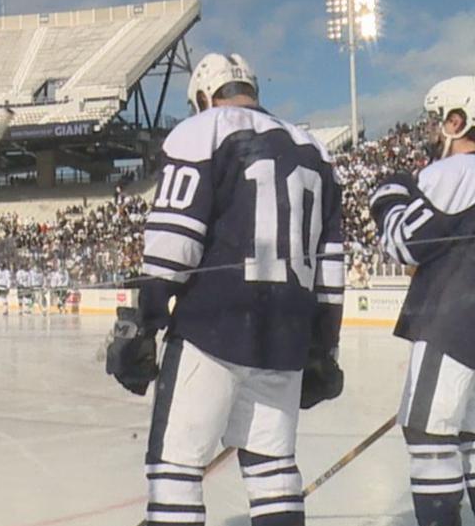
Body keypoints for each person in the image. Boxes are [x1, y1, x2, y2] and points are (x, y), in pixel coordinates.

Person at [106, 53, 345, 526]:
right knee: (274, 470)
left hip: (212, 329)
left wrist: (145, 322)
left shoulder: (204, 128)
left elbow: (173, 243)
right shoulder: (315, 149)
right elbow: (330, 266)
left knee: (175, 468)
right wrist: (323, 345)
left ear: (202, 97)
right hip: (286, 336)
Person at [369, 76, 475, 526]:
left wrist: (387, 197)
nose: (431, 131)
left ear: (456, 122)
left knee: (429, 437)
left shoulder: (452, 172)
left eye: (438, 121)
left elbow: (402, 245)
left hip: (452, 325)